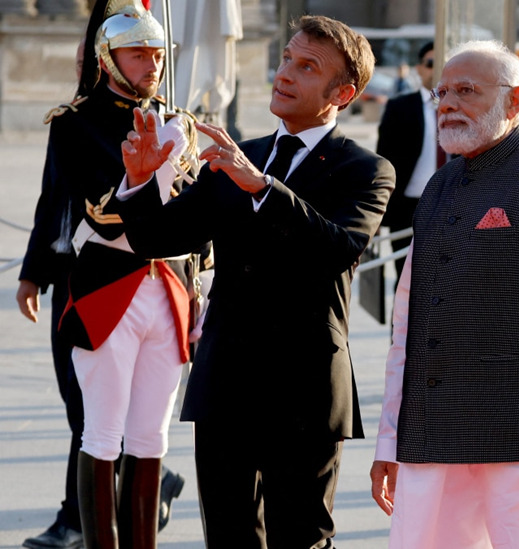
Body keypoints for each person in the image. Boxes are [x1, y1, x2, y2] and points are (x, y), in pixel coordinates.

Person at [115, 15, 393, 548]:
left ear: (344, 92)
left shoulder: (366, 169)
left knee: (301, 538)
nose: (284, 73)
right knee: (228, 538)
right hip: (225, 382)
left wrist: (262, 187)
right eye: (286, 58)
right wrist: (140, 181)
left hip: (305, 388)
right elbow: (157, 239)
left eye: (306, 66)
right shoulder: (241, 151)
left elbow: (336, 249)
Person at [369, 40, 519, 548]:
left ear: (514, 100)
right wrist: (389, 442)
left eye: (467, 91)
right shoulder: (438, 187)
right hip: (430, 443)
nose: (448, 103)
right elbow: (408, 327)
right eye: (443, 91)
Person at [27, 4, 198, 548]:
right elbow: (78, 207)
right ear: (108, 59)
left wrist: (201, 286)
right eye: (138, 54)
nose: (151, 64)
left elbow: (195, 219)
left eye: (156, 54)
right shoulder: (76, 123)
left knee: (151, 436)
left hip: (168, 289)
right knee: (99, 431)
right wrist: (35, 272)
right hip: (107, 286)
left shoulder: (178, 118)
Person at [377, 41, 438, 280]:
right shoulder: (400, 108)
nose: (436, 70)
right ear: (419, 68)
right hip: (407, 209)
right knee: (406, 281)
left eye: (442, 63)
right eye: (431, 63)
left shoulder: (461, 109)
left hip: (453, 206)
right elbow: (383, 160)